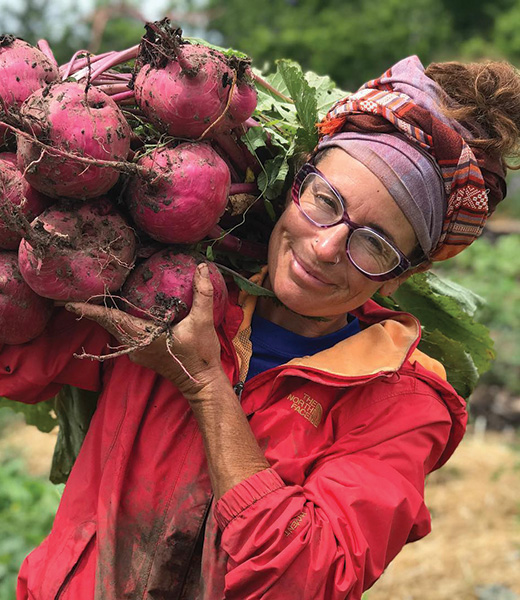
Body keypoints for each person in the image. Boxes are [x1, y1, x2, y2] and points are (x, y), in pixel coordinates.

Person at [2, 55, 520, 600]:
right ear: (297, 184)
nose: (326, 248)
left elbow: (304, 578)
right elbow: (23, 359)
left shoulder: (405, 405)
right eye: (325, 201)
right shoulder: (178, 292)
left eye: (374, 243)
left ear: (403, 274)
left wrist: (206, 387)